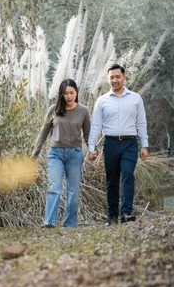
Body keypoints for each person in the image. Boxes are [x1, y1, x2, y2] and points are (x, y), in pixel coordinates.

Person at [87, 63, 149, 225]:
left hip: (130, 144)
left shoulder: (136, 98)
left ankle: (126, 212)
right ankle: (112, 216)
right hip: (111, 144)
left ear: (124, 77)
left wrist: (144, 145)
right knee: (112, 180)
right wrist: (92, 148)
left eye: (117, 77)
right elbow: (96, 126)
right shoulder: (102, 101)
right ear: (108, 79)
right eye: (111, 77)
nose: (115, 80)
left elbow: (141, 123)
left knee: (128, 174)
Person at [32, 79, 91, 228]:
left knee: (73, 191)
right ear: (61, 94)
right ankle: (49, 222)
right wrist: (35, 153)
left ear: (76, 93)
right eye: (66, 93)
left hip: (75, 155)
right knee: (54, 187)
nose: (69, 96)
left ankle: (69, 224)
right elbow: (43, 133)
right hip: (55, 153)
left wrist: (92, 150)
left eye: (71, 93)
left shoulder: (83, 111)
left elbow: (87, 134)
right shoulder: (53, 109)